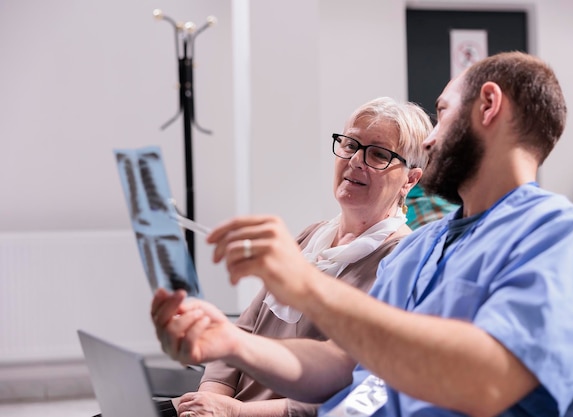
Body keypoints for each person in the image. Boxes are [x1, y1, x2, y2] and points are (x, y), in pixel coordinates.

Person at [151, 52, 573, 417]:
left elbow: (486, 381)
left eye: (441, 114)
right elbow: (341, 366)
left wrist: (307, 285)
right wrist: (231, 344)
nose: (432, 138)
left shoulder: (561, 238)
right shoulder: (421, 247)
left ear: (489, 104)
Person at [169, 97, 433, 417]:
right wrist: (208, 399)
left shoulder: (401, 262)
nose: (355, 161)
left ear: (411, 179)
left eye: (378, 154)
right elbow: (244, 330)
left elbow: (361, 397)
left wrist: (235, 412)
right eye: (350, 145)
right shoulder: (311, 236)